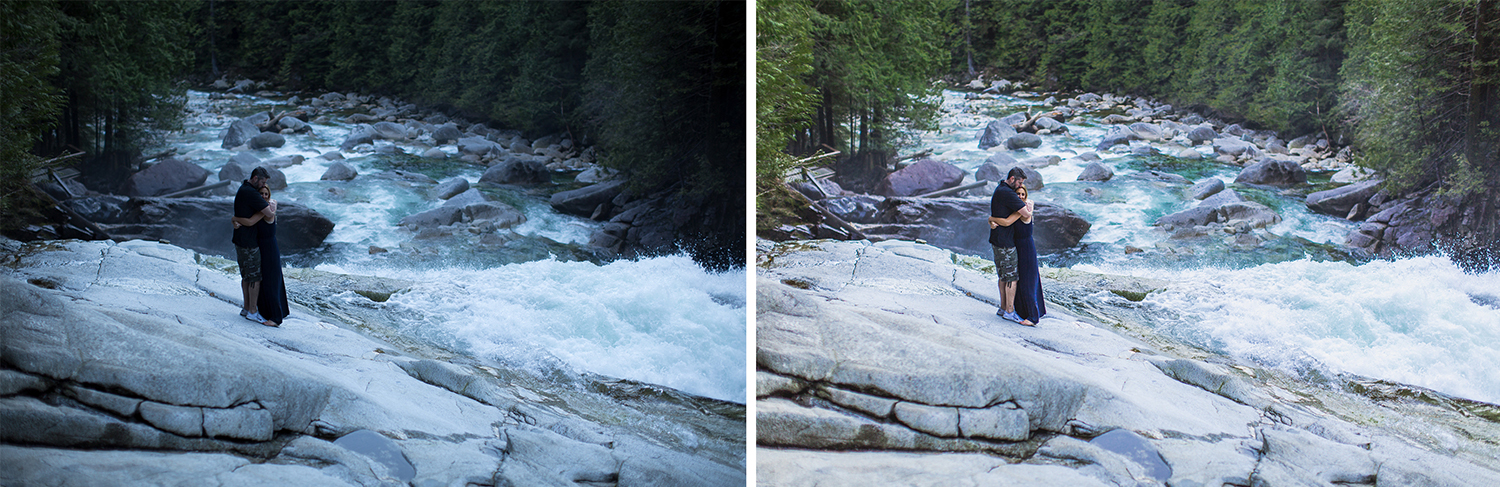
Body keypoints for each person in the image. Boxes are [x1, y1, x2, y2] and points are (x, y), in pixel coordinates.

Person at [234, 184, 287, 327]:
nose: (263, 196)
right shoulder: (258, 209)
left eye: (266, 194)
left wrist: (234, 218)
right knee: (263, 282)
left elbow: (251, 221)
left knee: (271, 283)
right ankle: (266, 312)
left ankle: (276, 318)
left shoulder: (268, 208)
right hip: (260, 248)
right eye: (261, 194)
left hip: (269, 248)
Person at [991, 185, 1044, 325]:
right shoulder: (1016, 209)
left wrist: (991, 218)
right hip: (1017, 248)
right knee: (1020, 282)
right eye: (1017, 194)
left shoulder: (1024, 210)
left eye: (1022, 194)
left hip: (1026, 248)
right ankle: (1023, 312)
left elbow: (1007, 222)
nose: (1020, 196)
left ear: (1026, 195)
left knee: (1028, 283)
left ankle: (1033, 318)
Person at [988, 167, 1032, 324]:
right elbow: (1026, 213)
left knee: (1002, 276)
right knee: (1011, 278)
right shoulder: (1007, 193)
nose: (1020, 185)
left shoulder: (1000, 188)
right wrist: (1025, 207)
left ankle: (1002, 307)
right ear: (1012, 179)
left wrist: (992, 219)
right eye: (1019, 182)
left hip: (996, 240)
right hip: (1005, 243)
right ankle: (1010, 311)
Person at [232, 167, 274, 324]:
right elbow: (269, 213)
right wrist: (268, 207)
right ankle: (253, 311)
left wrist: (234, 219)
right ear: (255, 178)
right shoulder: (251, 193)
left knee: (245, 276)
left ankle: (246, 308)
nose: (263, 184)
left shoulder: (242, 188)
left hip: (239, 240)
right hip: (249, 243)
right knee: (255, 278)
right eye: (263, 181)